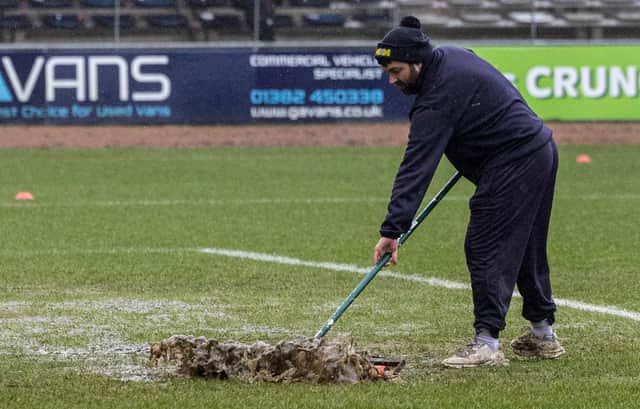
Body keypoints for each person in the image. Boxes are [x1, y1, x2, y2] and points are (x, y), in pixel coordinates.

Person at [371, 16, 565, 368]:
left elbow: (417, 167)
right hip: (538, 147)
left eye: (397, 70)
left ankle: (487, 343)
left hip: (515, 159)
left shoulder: (437, 98)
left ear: (418, 61)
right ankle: (542, 335)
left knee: (485, 243)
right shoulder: (453, 57)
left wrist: (392, 229)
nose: (392, 79)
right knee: (524, 245)